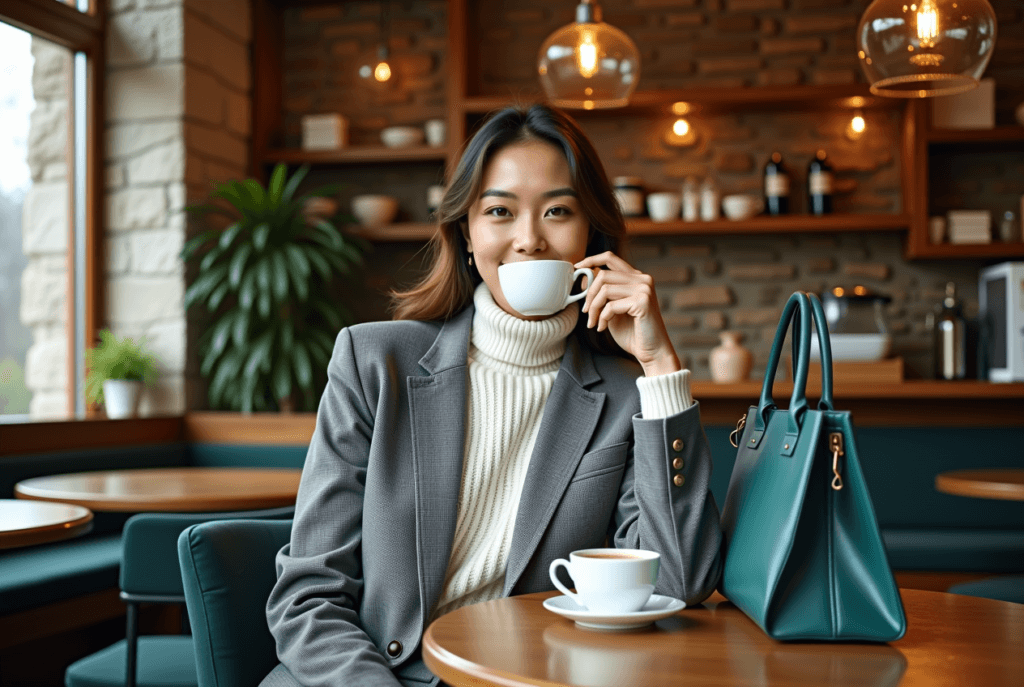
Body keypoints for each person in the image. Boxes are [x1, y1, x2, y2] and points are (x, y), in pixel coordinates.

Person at [262, 105, 723, 687]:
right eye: (500, 211)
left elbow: (678, 584)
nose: (529, 240)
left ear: (591, 235)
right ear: (467, 232)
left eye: (558, 211)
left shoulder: (629, 395)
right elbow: (308, 596)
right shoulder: (373, 362)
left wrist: (659, 366)